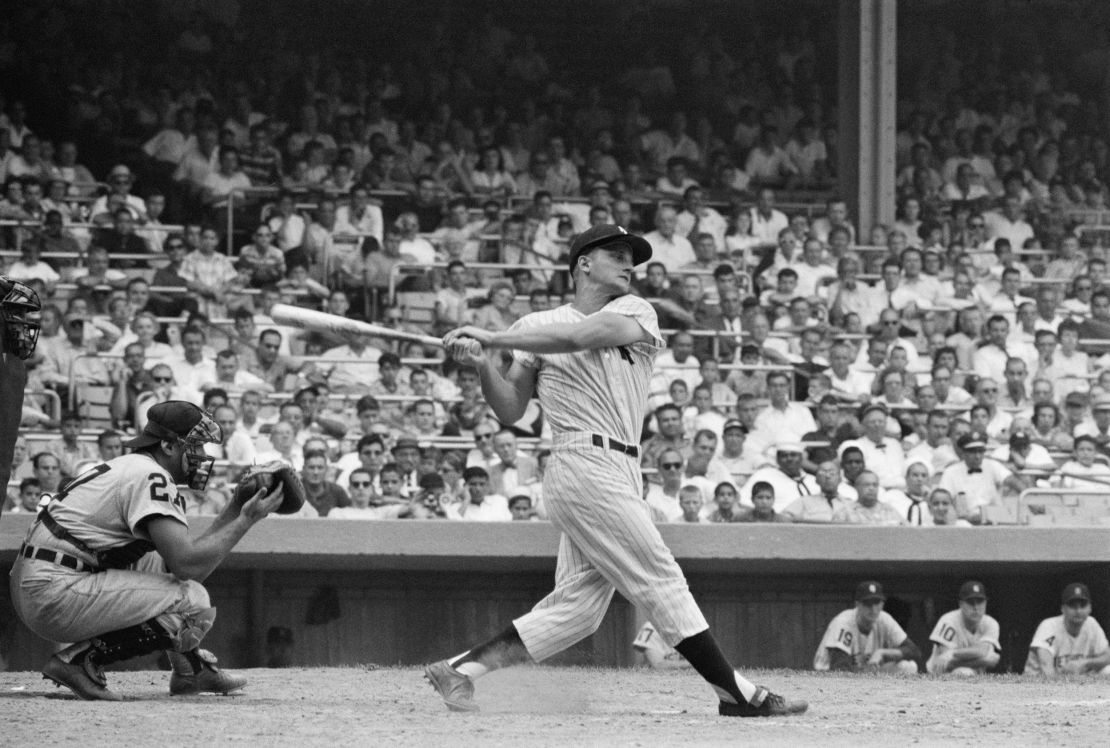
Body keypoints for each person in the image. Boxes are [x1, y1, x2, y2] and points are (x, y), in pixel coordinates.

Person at [425, 224, 806, 717]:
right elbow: (511, 410)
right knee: (661, 578)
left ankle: (460, 670)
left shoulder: (633, 310)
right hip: (580, 461)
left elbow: (583, 335)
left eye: (632, 256)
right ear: (584, 263)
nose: (630, 264)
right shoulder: (538, 325)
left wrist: (493, 336)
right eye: (617, 254)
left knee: (577, 612)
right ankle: (737, 694)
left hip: (622, 465)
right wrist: (482, 365)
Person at [9, 401, 286, 700]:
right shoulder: (151, 477)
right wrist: (246, 521)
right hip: (53, 587)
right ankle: (78, 661)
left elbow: (183, 556)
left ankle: (190, 669)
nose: (202, 456)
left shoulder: (134, 466)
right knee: (192, 600)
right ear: (167, 445)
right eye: (195, 446)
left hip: (43, 579)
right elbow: (190, 567)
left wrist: (235, 505)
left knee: (158, 562)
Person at [813, 581, 920, 674]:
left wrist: (882, 653)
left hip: (863, 675)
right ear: (857, 604)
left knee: (909, 667)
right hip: (828, 678)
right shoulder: (844, 622)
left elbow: (914, 651)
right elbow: (839, 668)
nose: (873, 609)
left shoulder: (884, 619)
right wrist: (868, 672)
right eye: (868, 603)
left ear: (882, 604)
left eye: (877, 603)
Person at [1024, 583, 1110, 677]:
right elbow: (1047, 669)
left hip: (1074, 682)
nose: (1078, 611)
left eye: (1083, 605)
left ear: (1090, 608)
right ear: (1063, 609)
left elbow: (1107, 657)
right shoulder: (1049, 626)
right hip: (1037, 683)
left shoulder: (1091, 624)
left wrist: (1085, 662)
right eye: (1073, 606)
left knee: (1108, 670)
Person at [925, 581, 1001, 676]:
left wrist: (952, 653)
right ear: (961, 604)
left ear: (985, 603)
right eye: (970, 602)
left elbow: (981, 651)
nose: (976, 607)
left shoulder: (991, 623)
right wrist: (983, 661)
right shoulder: (948, 620)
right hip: (939, 676)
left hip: (974, 675)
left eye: (980, 601)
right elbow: (946, 664)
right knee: (964, 672)